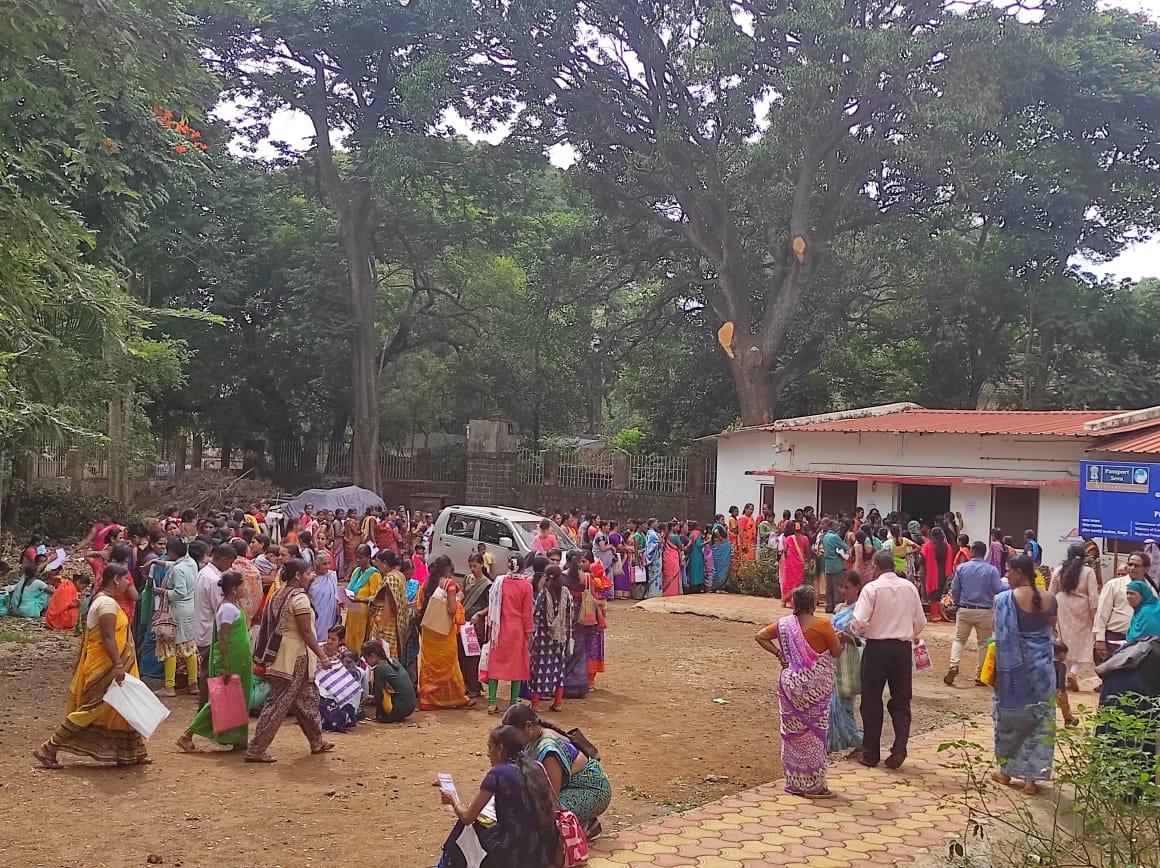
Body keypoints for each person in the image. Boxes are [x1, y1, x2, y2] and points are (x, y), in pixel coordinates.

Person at [34, 564, 151, 768]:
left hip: (111, 664)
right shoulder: (106, 604)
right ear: (116, 580)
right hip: (106, 667)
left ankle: (134, 752)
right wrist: (118, 664)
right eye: (126, 579)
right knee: (93, 708)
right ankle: (49, 747)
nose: (128, 583)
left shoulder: (105, 601)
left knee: (125, 706)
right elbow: (107, 637)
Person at [755, 584, 842, 797]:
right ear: (813, 604)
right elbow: (836, 652)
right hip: (815, 689)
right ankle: (814, 786)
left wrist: (779, 654)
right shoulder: (823, 625)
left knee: (792, 734)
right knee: (815, 733)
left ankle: (795, 782)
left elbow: (760, 636)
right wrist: (840, 639)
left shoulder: (784, 625)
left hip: (789, 687)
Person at [246, 558, 335, 763]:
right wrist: (322, 656)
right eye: (307, 574)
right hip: (295, 659)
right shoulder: (299, 599)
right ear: (297, 575)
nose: (310, 577)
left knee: (307, 700)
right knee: (278, 704)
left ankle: (316, 741)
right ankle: (257, 749)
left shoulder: (277, 594)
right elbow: (306, 632)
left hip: (280, 655)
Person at [437, 724, 561, 868]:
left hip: (513, 851)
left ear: (500, 748)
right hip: (543, 849)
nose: (488, 754)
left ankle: (446, 864)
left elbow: (467, 817)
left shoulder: (498, 773)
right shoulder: (535, 768)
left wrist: (453, 800)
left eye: (490, 747)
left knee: (464, 828)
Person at [852, 550, 927, 769]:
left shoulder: (872, 589)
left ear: (875, 567)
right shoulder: (909, 588)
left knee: (871, 701)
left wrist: (859, 630)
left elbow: (858, 622)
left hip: (876, 649)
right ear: (893, 566)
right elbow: (920, 622)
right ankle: (899, 748)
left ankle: (870, 754)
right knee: (901, 700)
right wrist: (906, 633)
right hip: (902, 649)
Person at [991, 554, 1057, 795]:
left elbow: (1000, 635)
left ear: (1019, 572)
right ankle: (1031, 779)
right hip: (1043, 671)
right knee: (1041, 719)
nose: (1006, 575)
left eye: (1009, 570)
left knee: (1010, 717)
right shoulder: (1050, 598)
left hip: (1014, 671)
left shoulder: (1004, 599)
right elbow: (1051, 630)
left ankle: (1006, 771)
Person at [503, 704, 613, 838]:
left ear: (528, 726)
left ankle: (584, 826)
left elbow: (551, 796)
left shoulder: (548, 749)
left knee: (538, 814)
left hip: (593, 791)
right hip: (569, 786)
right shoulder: (533, 739)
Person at [178, 571, 253, 752]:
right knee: (220, 700)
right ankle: (187, 735)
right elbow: (224, 638)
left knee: (238, 700)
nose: (245, 589)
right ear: (234, 589)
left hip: (239, 660)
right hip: (231, 661)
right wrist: (226, 665)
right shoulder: (228, 609)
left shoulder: (232, 606)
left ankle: (238, 739)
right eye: (242, 585)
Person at [944, 541, 1004, 687]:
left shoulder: (962, 568)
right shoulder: (992, 570)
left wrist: (956, 603)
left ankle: (954, 664)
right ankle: (980, 675)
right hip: (985, 610)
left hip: (965, 609)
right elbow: (998, 589)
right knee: (983, 643)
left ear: (972, 552)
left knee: (959, 639)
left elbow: (955, 589)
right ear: (985, 553)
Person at [417, 555, 473, 710]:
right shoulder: (449, 584)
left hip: (428, 629)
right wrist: (458, 599)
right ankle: (455, 697)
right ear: (448, 569)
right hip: (443, 630)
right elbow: (452, 609)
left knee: (429, 663)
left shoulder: (426, 584)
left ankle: (427, 699)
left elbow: (420, 606)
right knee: (449, 662)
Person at [1049, 542, 1099, 692]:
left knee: (1064, 642)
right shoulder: (1088, 572)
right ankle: (1073, 672)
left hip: (1062, 607)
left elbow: (1051, 592)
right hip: (1082, 609)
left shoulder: (1059, 570)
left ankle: (1064, 677)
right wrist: (1095, 615)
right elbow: (1093, 596)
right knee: (1082, 642)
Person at [193, 543, 236, 706]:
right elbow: (220, 608)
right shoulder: (214, 580)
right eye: (230, 562)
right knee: (209, 671)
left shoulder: (204, 572)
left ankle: (205, 705)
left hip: (203, 627)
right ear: (223, 559)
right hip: (211, 630)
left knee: (207, 670)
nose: (230, 567)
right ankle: (205, 706)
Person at [156, 538, 199, 698]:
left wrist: (163, 592)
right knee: (188, 645)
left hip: (177, 610)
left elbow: (180, 592)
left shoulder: (178, 570)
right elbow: (173, 565)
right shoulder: (191, 562)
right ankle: (193, 683)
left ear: (172, 552)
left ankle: (169, 685)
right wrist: (156, 562)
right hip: (190, 609)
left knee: (169, 645)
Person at [828, 572, 864, 754]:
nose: (843, 591)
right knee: (832, 704)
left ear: (857, 588)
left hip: (849, 661)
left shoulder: (860, 611)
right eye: (841, 587)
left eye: (847, 587)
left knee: (845, 703)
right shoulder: (839, 608)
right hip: (834, 659)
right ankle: (833, 740)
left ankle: (858, 740)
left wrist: (848, 638)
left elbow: (864, 639)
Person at [530, 564, 572, 712]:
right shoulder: (566, 593)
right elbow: (569, 614)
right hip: (560, 637)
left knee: (539, 670)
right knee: (559, 669)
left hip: (543, 638)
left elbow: (536, 615)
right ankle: (558, 703)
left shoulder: (543, 594)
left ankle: (535, 704)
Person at [1094, 551, 1148, 664]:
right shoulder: (1114, 585)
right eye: (1130, 564)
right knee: (1113, 671)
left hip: (1141, 640)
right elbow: (1101, 613)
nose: (1132, 568)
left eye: (1136, 565)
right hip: (1115, 637)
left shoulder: (1151, 589)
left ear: (1146, 569)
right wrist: (1100, 639)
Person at [460, 553, 492, 698]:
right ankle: (464, 684)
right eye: (470, 566)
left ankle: (474, 687)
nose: (473, 569)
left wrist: (479, 614)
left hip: (476, 624)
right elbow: (462, 595)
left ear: (481, 565)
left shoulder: (487, 584)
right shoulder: (467, 579)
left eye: (475, 566)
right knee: (461, 654)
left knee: (473, 656)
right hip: (464, 621)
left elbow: (490, 605)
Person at [361, 641, 416, 723]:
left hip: (399, 709)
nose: (366, 662)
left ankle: (384, 716)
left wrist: (374, 701)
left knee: (378, 686)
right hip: (410, 707)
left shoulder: (379, 669)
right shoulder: (394, 661)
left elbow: (379, 696)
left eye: (366, 659)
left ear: (373, 656)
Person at [371, 549, 410, 662]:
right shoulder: (400, 575)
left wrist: (380, 629)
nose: (376, 565)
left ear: (384, 563)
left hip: (387, 623)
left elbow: (389, 605)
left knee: (383, 655)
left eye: (378, 562)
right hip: (396, 622)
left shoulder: (390, 579)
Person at [345, 544, 381, 650]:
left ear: (368, 557)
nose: (358, 560)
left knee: (359, 639)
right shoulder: (356, 571)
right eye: (356, 557)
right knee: (350, 637)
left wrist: (360, 600)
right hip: (352, 612)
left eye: (361, 558)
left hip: (363, 614)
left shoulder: (374, 574)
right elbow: (350, 589)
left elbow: (376, 597)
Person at [920, 528, 954, 621]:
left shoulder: (928, 545)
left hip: (930, 572)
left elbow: (922, 559)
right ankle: (939, 614)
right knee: (940, 593)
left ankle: (934, 615)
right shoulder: (947, 546)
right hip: (943, 572)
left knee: (933, 594)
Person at [307, 550, 339, 642]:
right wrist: (309, 580)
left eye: (329, 563)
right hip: (316, 614)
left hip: (329, 614)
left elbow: (335, 595)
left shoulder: (332, 576)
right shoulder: (309, 578)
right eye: (324, 564)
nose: (327, 566)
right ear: (316, 563)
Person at [819, 520, 847, 614]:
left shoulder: (825, 536)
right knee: (837, 587)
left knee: (829, 588)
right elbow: (845, 547)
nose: (838, 527)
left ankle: (829, 606)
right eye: (836, 525)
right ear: (831, 526)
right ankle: (837, 607)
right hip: (837, 564)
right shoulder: (835, 537)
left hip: (828, 565)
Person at [780, 522, 809, 606]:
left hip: (790, 562)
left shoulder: (789, 538)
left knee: (788, 581)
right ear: (802, 529)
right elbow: (807, 551)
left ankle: (785, 601)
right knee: (797, 582)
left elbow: (785, 550)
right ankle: (794, 602)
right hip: (800, 563)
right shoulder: (805, 539)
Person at [1053, 641, 1078, 728]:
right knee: (1064, 705)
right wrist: (1063, 691)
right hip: (1058, 689)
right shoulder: (1061, 666)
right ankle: (1068, 719)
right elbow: (1061, 679)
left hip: (1047, 688)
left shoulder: (1047, 663)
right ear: (1062, 654)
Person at [709, 526, 732, 593]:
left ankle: (721, 587)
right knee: (716, 570)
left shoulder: (726, 542)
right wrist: (719, 539)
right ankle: (714, 586)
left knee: (723, 571)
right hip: (717, 555)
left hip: (724, 556)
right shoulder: (714, 537)